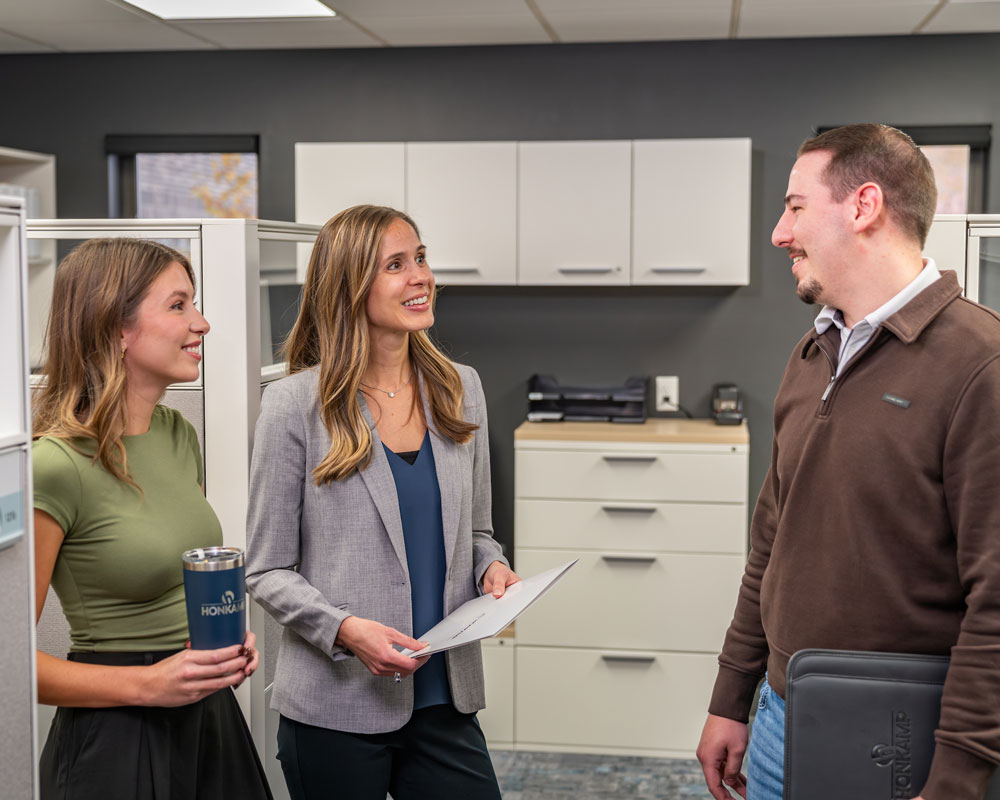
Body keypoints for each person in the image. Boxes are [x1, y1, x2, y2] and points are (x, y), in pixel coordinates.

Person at [696, 123, 1000, 800]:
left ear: (863, 207)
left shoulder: (981, 365)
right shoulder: (811, 355)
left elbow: (997, 600)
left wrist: (958, 778)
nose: (779, 233)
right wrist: (732, 696)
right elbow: (772, 546)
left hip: (900, 734)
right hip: (779, 712)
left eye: (796, 207)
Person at [245, 204, 519, 800]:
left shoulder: (460, 387)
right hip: (336, 706)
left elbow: (476, 533)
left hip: (445, 698)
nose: (420, 276)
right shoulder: (294, 406)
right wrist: (344, 630)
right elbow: (265, 570)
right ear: (349, 287)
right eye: (396, 265)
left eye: (420, 257)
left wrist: (490, 567)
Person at [32, 238, 271, 800]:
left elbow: (174, 573)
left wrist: (227, 637)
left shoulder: (175, 434)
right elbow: (3, 663)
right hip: (115, 735)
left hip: (206, 715)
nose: (203, 323)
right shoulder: (55, 464)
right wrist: (146, 683)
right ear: (114, 328)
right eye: (178, 305)